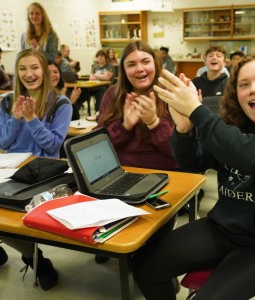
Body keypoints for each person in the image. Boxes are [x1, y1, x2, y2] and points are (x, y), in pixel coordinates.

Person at [133, 48, 255, 299]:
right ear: (236, 95)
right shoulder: (234, 128)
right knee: (144, 264)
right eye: (244, 85)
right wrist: (183, 129)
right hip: (224, 229)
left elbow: (252, 154)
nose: (253, 89)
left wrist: (196, 109)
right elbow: (194, 164)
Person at [0, 49, 72, 290]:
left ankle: (37, 261)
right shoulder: (8, 100)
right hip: (6, 168)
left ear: (44, 70)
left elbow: (52, 145)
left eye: (34, 68)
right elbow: (2, 143)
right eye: (23, 69)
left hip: (43, 172)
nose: (29, 74)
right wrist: (16, 118)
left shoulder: (61, 103)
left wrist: (32, 119)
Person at [95, 41, 180, 264]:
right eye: (131, 64)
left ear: (156, 64)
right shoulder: (113, 95)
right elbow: (97, 148)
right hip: (118, 177)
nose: (140, 69)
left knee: (145, 257)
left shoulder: (172, 93)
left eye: (145, 61)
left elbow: (181, 154)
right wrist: (124, 125)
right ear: (123, 70)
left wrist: (153, 122)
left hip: (164, 180)